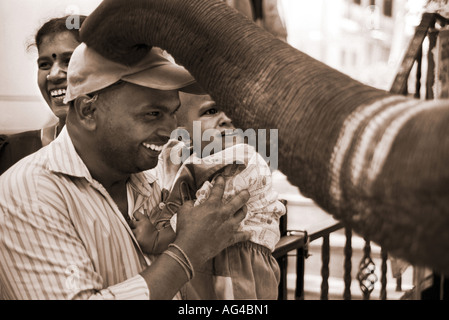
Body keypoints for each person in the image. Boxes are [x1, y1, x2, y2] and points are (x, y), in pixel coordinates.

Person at [0, 43, 250, 300]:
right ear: (88, 111)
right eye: (152, 114)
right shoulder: (27, 194)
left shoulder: (152, 183)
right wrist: (186, 253)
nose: (169, 130)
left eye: (172, 113)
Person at [131, 92, 286, 299]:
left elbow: (204, 216)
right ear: (184, 131)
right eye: (211, 111)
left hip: (236, 261)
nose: (227, 118)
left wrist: (156, 238)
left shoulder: (242, 159)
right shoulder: (197, 155)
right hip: (216, 256)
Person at [35, 15, 86, 145]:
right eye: (44, 64)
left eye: (69, 61)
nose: (53, 75)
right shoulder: (13, 152)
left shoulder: (133, 155)